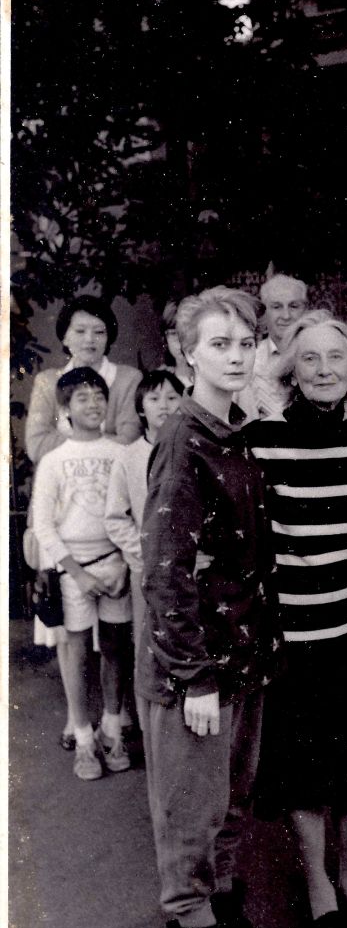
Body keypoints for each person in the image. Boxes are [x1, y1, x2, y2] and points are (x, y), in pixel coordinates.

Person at [138, 287, 288, 928]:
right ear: (186, 353)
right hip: (196, 667)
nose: (235, 355)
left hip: (244, 655)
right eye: (218, 343)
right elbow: (164, 570)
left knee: (233, 802)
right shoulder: (182, 438)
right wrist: (193, 677)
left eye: (244, 342)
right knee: (191, 811)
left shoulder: (239, 431)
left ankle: (225, 918)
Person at [248, 311, 347, 928]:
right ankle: (318, 891)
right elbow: (254, 546)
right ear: (289, 369)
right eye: (310, 359)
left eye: (337, 358)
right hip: (295, 640)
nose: (326, 369)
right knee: (307, 771)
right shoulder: (263, 439)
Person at [30, 367, 133, 779]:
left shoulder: (120, 453)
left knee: (115, 646)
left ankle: (112, 729)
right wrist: (77, 571)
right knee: (75, 651)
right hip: (73, 569)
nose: (93, 404)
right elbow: (44, 524)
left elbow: (131, 512)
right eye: (82, 398)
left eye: (99, 396)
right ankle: (84, 737)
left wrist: (125, 561)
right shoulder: (55, 460)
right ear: (65, 408)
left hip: (115, 563)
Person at [104, 369, 184, 651]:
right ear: (140, 407)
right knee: (148, 647)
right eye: (154, 398)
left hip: (190, 568)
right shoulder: (127, 456)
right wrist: (145, 551)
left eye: (172, 397)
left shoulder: (193, 450)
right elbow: (115, 518)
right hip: (147, 568)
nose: (164, 405)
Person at [26, 294, 143, 463]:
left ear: (108, 337)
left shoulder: (129, 379)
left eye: (99, 332)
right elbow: (37, 446)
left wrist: (70, 441)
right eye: (80, 331)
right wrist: (101, 440)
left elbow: (128, 443)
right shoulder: (47, 382)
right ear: (65, 338)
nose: (89, 339)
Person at [236, 272, 309, 422]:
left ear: (305, 310)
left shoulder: (320, 355)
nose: (286, 315)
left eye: (294, 306)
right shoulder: (251, 359)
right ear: (265, 312)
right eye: (277, 307)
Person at [160, 300, 194, 387]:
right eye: (173, 333)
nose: (180, 341)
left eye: (186, 332)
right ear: (165, 339)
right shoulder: (159, 381)